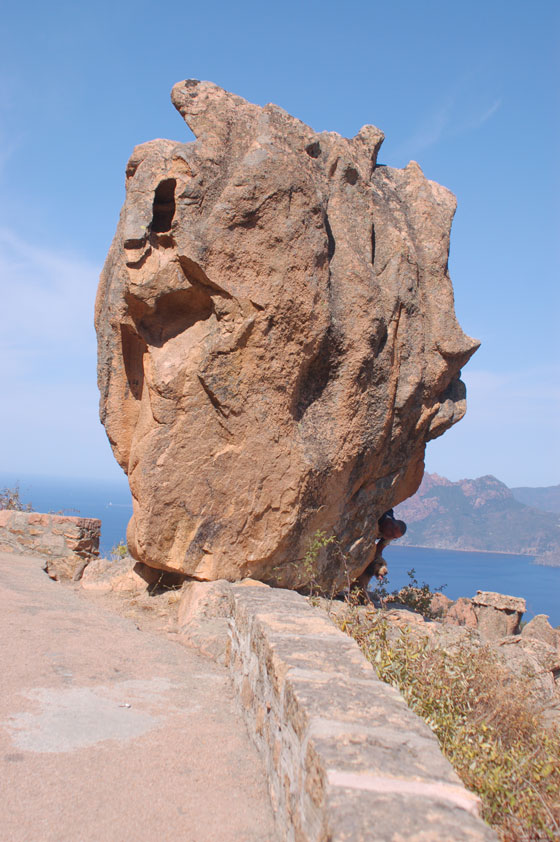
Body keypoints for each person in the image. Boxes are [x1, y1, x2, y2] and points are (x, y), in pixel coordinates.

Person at [353, 509, 407, 595]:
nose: (391, 537)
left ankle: (360, 589)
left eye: (394, 538)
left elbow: (378, 550)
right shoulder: (379, 514)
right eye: (392, 533)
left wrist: (374, 567)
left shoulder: (388, 536)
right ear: (391, 523)